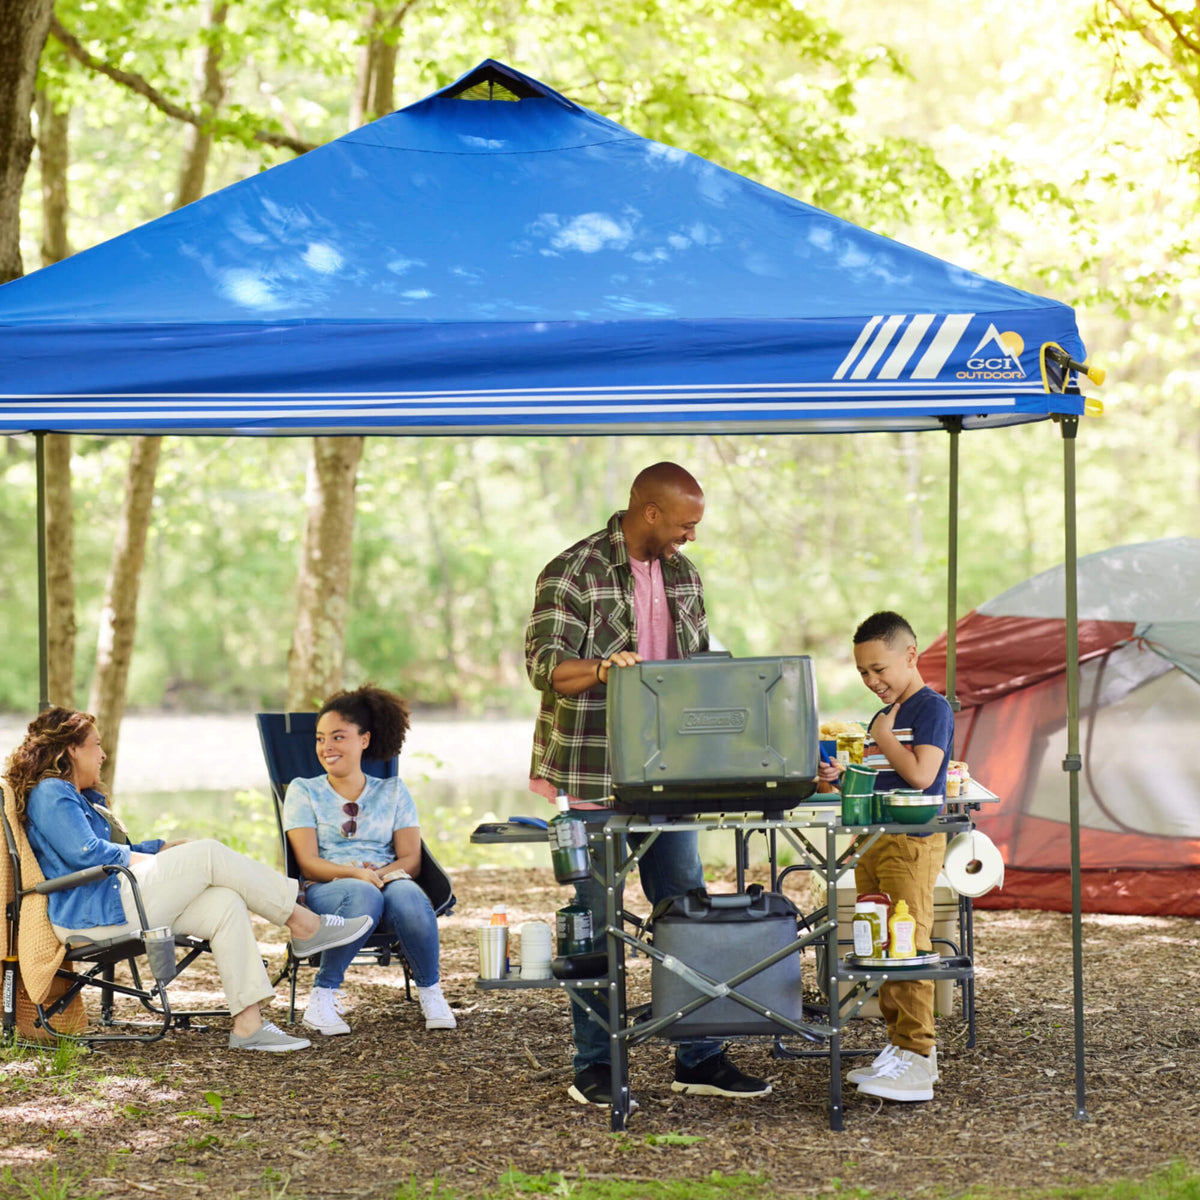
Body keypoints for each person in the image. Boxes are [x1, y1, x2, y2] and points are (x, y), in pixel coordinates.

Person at [525, 461, 770, 1108]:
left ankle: (699, 1056)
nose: (692, 536)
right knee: (594, 921)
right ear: (650, 511)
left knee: (685, 910)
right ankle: (595, 1064)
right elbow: (546, 668)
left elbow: (694, 674)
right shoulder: (570, 572)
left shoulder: (685, 575)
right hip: (590, 772)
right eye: (686, 523)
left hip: (673, 777)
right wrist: (605, 669)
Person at [5, 707, 372, 1052]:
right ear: (71, 750)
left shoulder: (79, 797)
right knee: (209, 853)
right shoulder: (52, 791)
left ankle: (249, 1026)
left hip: (116, 900)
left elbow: (110, 849)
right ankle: (303, 922)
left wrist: (164, 847)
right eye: (96, 746)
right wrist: (159, 858)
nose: (102, 755)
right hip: (95, 912)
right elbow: (87, 854)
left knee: (224, 902)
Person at [818, 611, 955, 1102]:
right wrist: (842, 777)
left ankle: (918, 1059)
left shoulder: (929, 709)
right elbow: (884, 780)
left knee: (906, 944)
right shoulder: (885, 719)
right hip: (875, 840)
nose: (872, 680)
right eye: (863, 673)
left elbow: (920, 776)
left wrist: (881, 737)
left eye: (880, 669)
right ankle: (900, 1046)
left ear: (911, 655)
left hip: (911, 842)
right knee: (881, 945)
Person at [282, 684, 456, 1035]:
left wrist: (379, 874)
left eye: (338, 737)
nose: (326, 747)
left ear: (364, 740)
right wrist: (354, 875)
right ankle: (322, 996)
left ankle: (431, 992)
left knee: (407, 894)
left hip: (385, 879)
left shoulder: (393, 791)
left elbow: (411, 859)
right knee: (364, 894)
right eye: (320, 739)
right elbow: (308, 863)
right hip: (328, 887)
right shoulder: (303, 790)